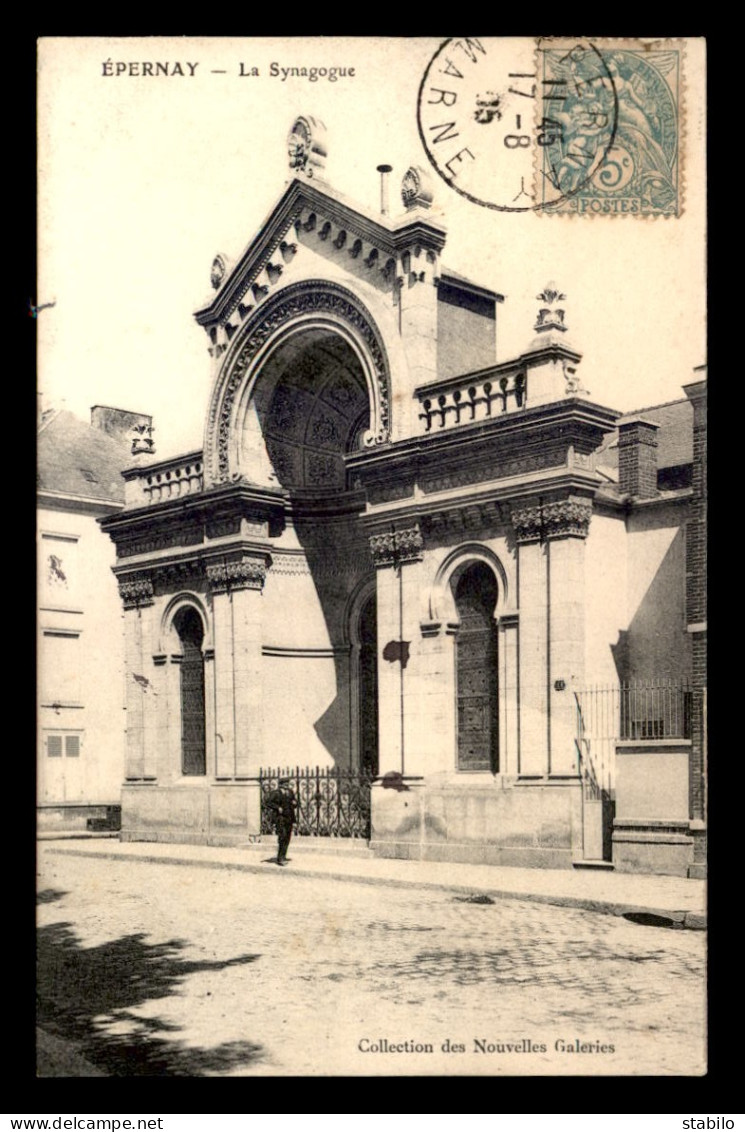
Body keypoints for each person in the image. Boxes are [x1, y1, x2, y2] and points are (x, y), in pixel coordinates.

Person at [266, 777, 297, 865]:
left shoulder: (290, 792)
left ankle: (283, 855)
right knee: (282, 837)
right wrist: (277, 808)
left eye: (287, 784)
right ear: (281, 785)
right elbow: (268, 802)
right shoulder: (276, 793)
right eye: (285, 784)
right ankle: (280, 858)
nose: (286, 785)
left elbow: (295, 803)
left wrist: (295, 803)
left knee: (287, 837)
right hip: (280, 818)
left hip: (289, 818)